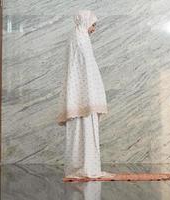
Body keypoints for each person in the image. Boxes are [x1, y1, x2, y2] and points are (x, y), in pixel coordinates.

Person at [57, 10, 112, 179]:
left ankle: (83, 167)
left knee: (82, 130)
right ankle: (85, 168)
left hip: (81, 93)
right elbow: (85, 69)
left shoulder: (78, 37)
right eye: (93, 24)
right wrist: (91, 93)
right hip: (83, 93)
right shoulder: (80, 39)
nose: (94, 29)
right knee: (84, 128)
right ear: (85, 22)